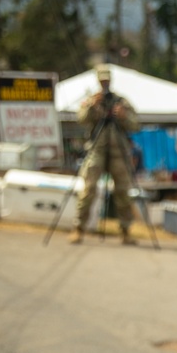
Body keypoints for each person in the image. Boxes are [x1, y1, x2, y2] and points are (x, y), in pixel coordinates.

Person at [69, 64, 140, 245]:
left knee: (123, 191)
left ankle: (125, 230)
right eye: (102, 80)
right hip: (97, 150)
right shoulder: (92, 100)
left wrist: (123, 116)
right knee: (89, 188)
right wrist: (92, 107)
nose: (105, 83)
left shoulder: (121, 101)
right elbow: (81, 119)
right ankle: (79, 228)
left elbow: (136, 125)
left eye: (107, 80)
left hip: (119, 151)